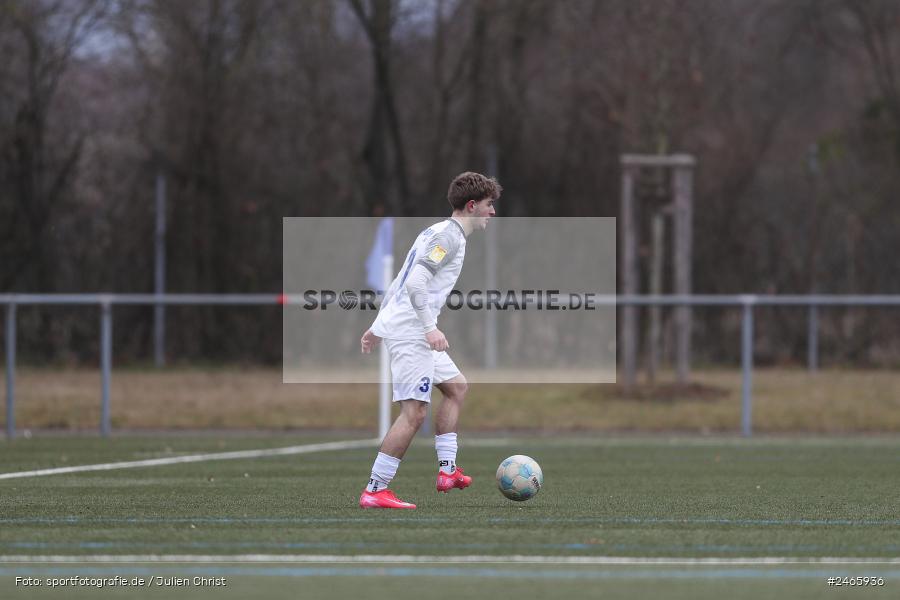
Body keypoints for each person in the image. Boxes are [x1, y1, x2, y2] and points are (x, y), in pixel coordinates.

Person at [358, 172, 501, 509]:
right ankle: (375, 489)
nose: (492, 212)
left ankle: (447, 471)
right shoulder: (447, 237)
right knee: (414, 413)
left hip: (408, 327)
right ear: (471, 206)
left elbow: (401, 278)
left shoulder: (439, 232)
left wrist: (378, 325)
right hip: (412, 333)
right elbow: (414, 283)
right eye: (488, 205)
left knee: (456, 387)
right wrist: (428, 328)